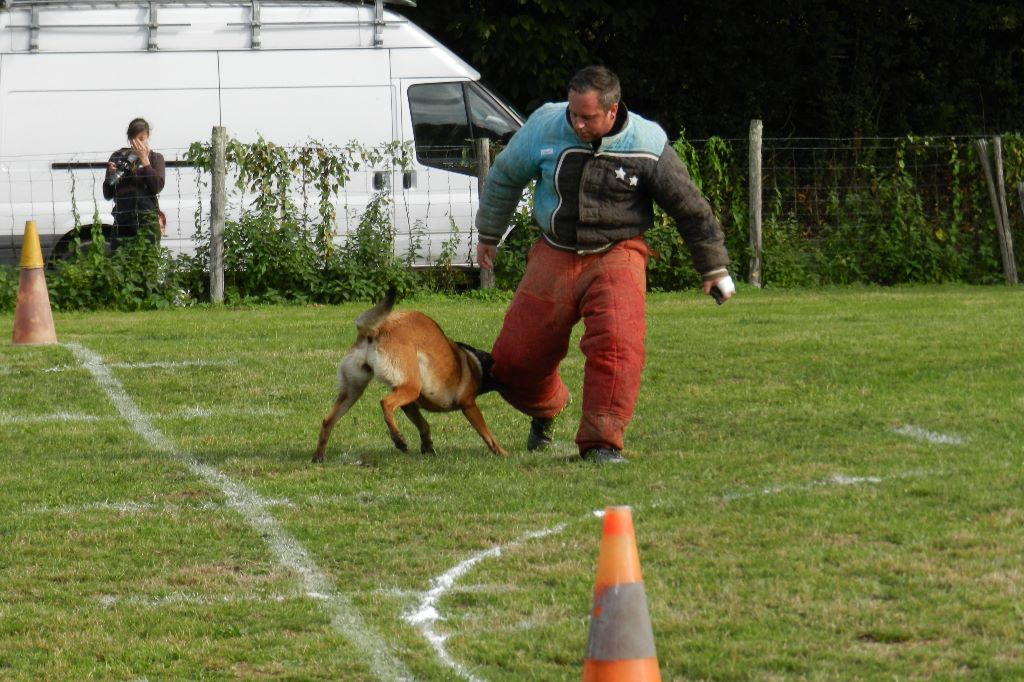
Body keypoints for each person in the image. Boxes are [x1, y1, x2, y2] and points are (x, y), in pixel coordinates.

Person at [475, 65, 734, 464]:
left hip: (618, 252)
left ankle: (601, 443)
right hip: (554, 249)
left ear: (612, 111)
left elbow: (690, 208)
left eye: (588, 117)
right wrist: (489, 233)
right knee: (514, 363)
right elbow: (506, 177)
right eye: (573, 114)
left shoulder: (647, 142)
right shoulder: (545, 125)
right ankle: (548, 407)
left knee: (617, 346)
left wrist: (713, 268)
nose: (577, 123)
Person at [102, 117, 166, 250]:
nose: (138, 144)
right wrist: (113, 176)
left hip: (147, 222)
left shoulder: (156, 158)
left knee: (147, 264)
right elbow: (107, 194)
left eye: (142, 139)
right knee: (119, 263)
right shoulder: (118, 157)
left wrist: (145, 161)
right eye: (134, 139)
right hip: (122, 222)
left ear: (148, 137)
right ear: (129, 139)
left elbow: (157, 186)